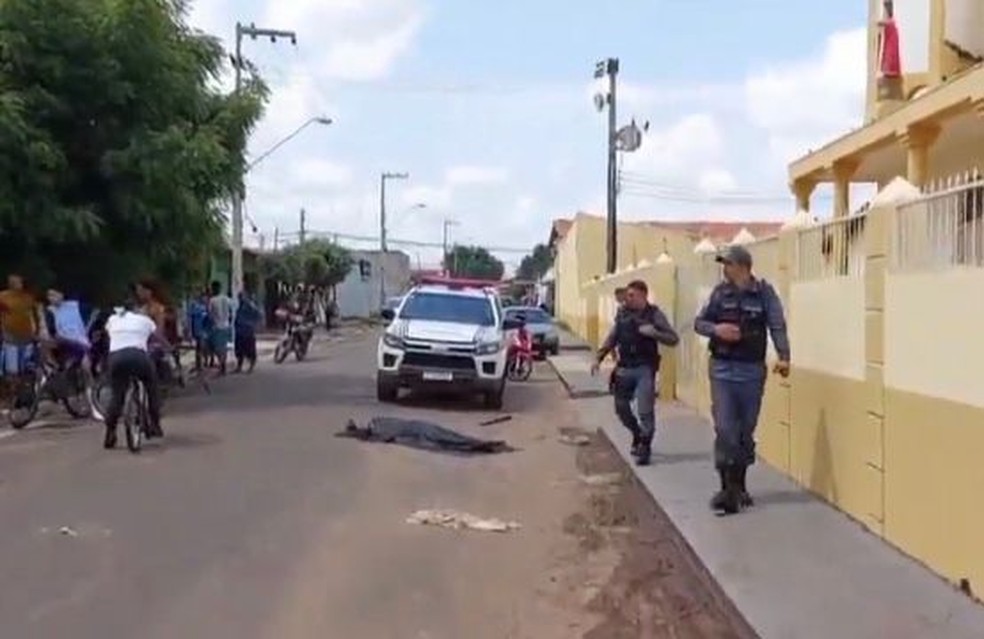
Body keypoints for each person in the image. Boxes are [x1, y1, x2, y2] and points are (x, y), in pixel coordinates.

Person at [694, 245, 790, 515]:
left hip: (751, 371)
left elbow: (777, 325)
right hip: (722, 370)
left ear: (743, 267)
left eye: (728, 264)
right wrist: (717, 329)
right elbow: (699, 323)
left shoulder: (764, 294)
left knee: (745, 430)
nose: (725, 269)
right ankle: (727, 489)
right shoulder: (719, 293)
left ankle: (739, 483)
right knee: (725, 429)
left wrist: (784, 356)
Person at [591, 280, 679, 466]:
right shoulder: (623, 313)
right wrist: (599, 357)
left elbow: (673, 339)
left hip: (644, 368)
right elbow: (613, 337)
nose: (627, 298)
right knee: (621, 408)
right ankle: (637, 433)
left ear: (643, 295)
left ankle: (645, 446)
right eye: (627, 295)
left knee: (645, 409)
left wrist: (654, 333)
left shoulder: (654, 314)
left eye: (632, 295)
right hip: (624, 367)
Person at [102, 303, 163, 448]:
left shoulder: (113, 319)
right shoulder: (145, 320)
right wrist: (168, 348)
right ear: (137, 310)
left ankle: (110, 432)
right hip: (138, 356)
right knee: (151, 386)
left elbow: (108, 335)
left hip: (116, 357)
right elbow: (158, 338)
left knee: (117, 395)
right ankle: (155, 424)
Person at [0, 274, 39, 378]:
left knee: (25, 367)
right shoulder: (2, 297)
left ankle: (24, 384)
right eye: (15, 282)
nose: (18, 284)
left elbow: (34, 315)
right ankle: (11, 384)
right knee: (12, 369)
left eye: (19, 282)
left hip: (27, 335)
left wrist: (35, 331)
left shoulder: (28, 298)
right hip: (10, 335)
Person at [44, 288, 90, 370]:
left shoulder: (75, 305)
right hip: (63, 341)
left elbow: (93, 314)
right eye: (49, 296)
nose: (51, 298)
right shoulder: (50, 310)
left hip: (79, 340)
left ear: (61, 295)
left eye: (54, 295)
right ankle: (54, 366)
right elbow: (51, 330)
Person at [207, 281, 233, 375]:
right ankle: (223, 365)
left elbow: (210, 315)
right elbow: (231, 311)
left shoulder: (212, 300)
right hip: (226, 326)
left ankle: (222, 365)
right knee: (223, 347)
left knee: (217, 348)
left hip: (217, 327)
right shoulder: (226, 299)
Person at [234, 290, 262, 373]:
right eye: (239, 297)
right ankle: (239, 367)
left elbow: (258, 314)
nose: (240, 299)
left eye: (241, 297)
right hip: (240, 331)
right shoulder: (240, 306)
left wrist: (253, 324)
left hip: (247, 331)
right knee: (239, 350)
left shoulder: (250, 305)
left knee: (249, 350)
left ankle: (251, 367)